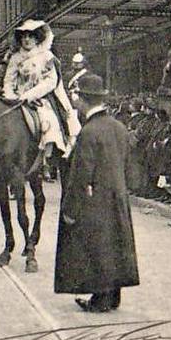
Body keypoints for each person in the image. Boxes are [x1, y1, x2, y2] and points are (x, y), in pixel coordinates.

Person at [55, 73, 139, 312]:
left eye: (77, 99)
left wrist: (70, 208)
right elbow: (128, 166)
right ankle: (113, 297)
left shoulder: (89, 132)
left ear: (83, 100)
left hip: (96, 199)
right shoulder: (119, 127)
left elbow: (81, 174)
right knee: (116, 244)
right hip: (118, 196)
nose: (76, 103)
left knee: (98, 246)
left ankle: (100, 299)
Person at [3, 20, 80, 157]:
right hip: (17, 99)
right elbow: (9, 81)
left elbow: (51, 81)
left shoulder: (46, 56)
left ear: (37, 38)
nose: (26, 39)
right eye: (23, 36)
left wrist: (29, 96)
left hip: (42, 98)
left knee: (48, 121)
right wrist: (11, 97)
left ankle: (47, 160)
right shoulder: (15, 58)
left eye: (30, 36)